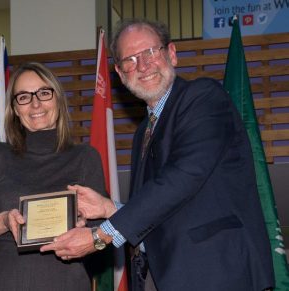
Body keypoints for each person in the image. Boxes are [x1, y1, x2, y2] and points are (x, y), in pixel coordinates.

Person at [41, 19, 275, 291]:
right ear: (119, 72)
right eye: (130, 60)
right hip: (167, 276)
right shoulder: (143, 132)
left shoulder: (204, 97)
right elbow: (164, 208)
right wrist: (109, 208)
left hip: (217, 272)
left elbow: (183, 177)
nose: (143, 65)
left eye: (150, 52)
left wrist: (100, 236)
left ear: (171, 54)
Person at [0, 62, 107, 291]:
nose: (35, 103)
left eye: (43, 93)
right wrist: (3, 221)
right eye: (23, 97)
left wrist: (85, 228)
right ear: (15, 109)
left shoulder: (86, 157)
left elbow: (102, 237)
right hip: (4, 282)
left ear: (58, 99)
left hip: (66, 283)